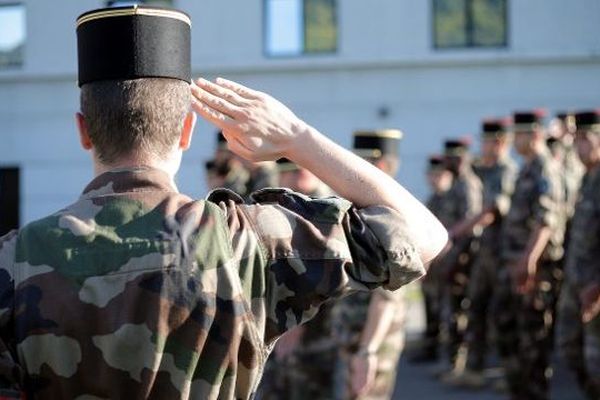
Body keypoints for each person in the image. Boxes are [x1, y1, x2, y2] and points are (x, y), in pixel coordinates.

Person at [0, 5, 447, 399]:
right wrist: (296, 137)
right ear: (186, 132)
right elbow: (425, 236)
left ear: (83, 130)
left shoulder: (13, 262)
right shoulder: (248, 244)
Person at [331, 130, 409, 400]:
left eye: (361, 164)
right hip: (353, 338)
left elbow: (387, 298)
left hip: (371, 341)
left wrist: (367, 351)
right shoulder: (362, 211)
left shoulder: (389, 220)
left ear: (382, 167)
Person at [495, 110, 565, 400]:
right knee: (508, 332)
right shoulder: (527, 167)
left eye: (518, 134)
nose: (512, 140)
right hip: (515, 267)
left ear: (534, 134)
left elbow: (546, 221)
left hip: (534, 271)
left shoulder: (544, 169)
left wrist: (528, 262)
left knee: (532, 343)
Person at [445, 118, 517, 388]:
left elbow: (490, 212)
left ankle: (509, 373)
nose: (482, 146)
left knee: (503, 313)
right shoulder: (482, 171)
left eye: (486, 141)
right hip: (484, 253)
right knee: (476, 307)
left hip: (502, 253)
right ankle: (473, 369)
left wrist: (457, 231)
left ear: (499, 142)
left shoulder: (506, 171)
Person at [257, 157, 335, 400]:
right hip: (278, 324)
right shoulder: (281, 208)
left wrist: (295, 324)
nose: (297, 174)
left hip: (312, 329)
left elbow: (325, 277)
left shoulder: (328, 212)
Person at [557, 110, 600, 399]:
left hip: (594, 288)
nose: (578, 146)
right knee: (570, 349)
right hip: (576, 284)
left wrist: (597, 287)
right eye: (576, 139)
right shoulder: (587, 179)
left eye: (585, 139)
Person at [436, 138, 482, 379]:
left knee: (460, 310)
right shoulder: (456, 185)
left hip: (464, 257)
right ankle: (453, 363)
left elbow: (471, 223)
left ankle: (461, 364)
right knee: (451, 310)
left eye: (455, 157)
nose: (450, 162)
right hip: (453, 255)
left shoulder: (468, 185)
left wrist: (454, 243)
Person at [409, 155, 454, 364]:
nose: (434, 179)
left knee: (448, 308)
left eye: (439, 175)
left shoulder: (452, 197)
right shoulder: (433, 199)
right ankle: (431, 348)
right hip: (432, 264)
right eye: (432, 175)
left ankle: (449, 354)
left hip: (449, 263)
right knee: (430, 305)